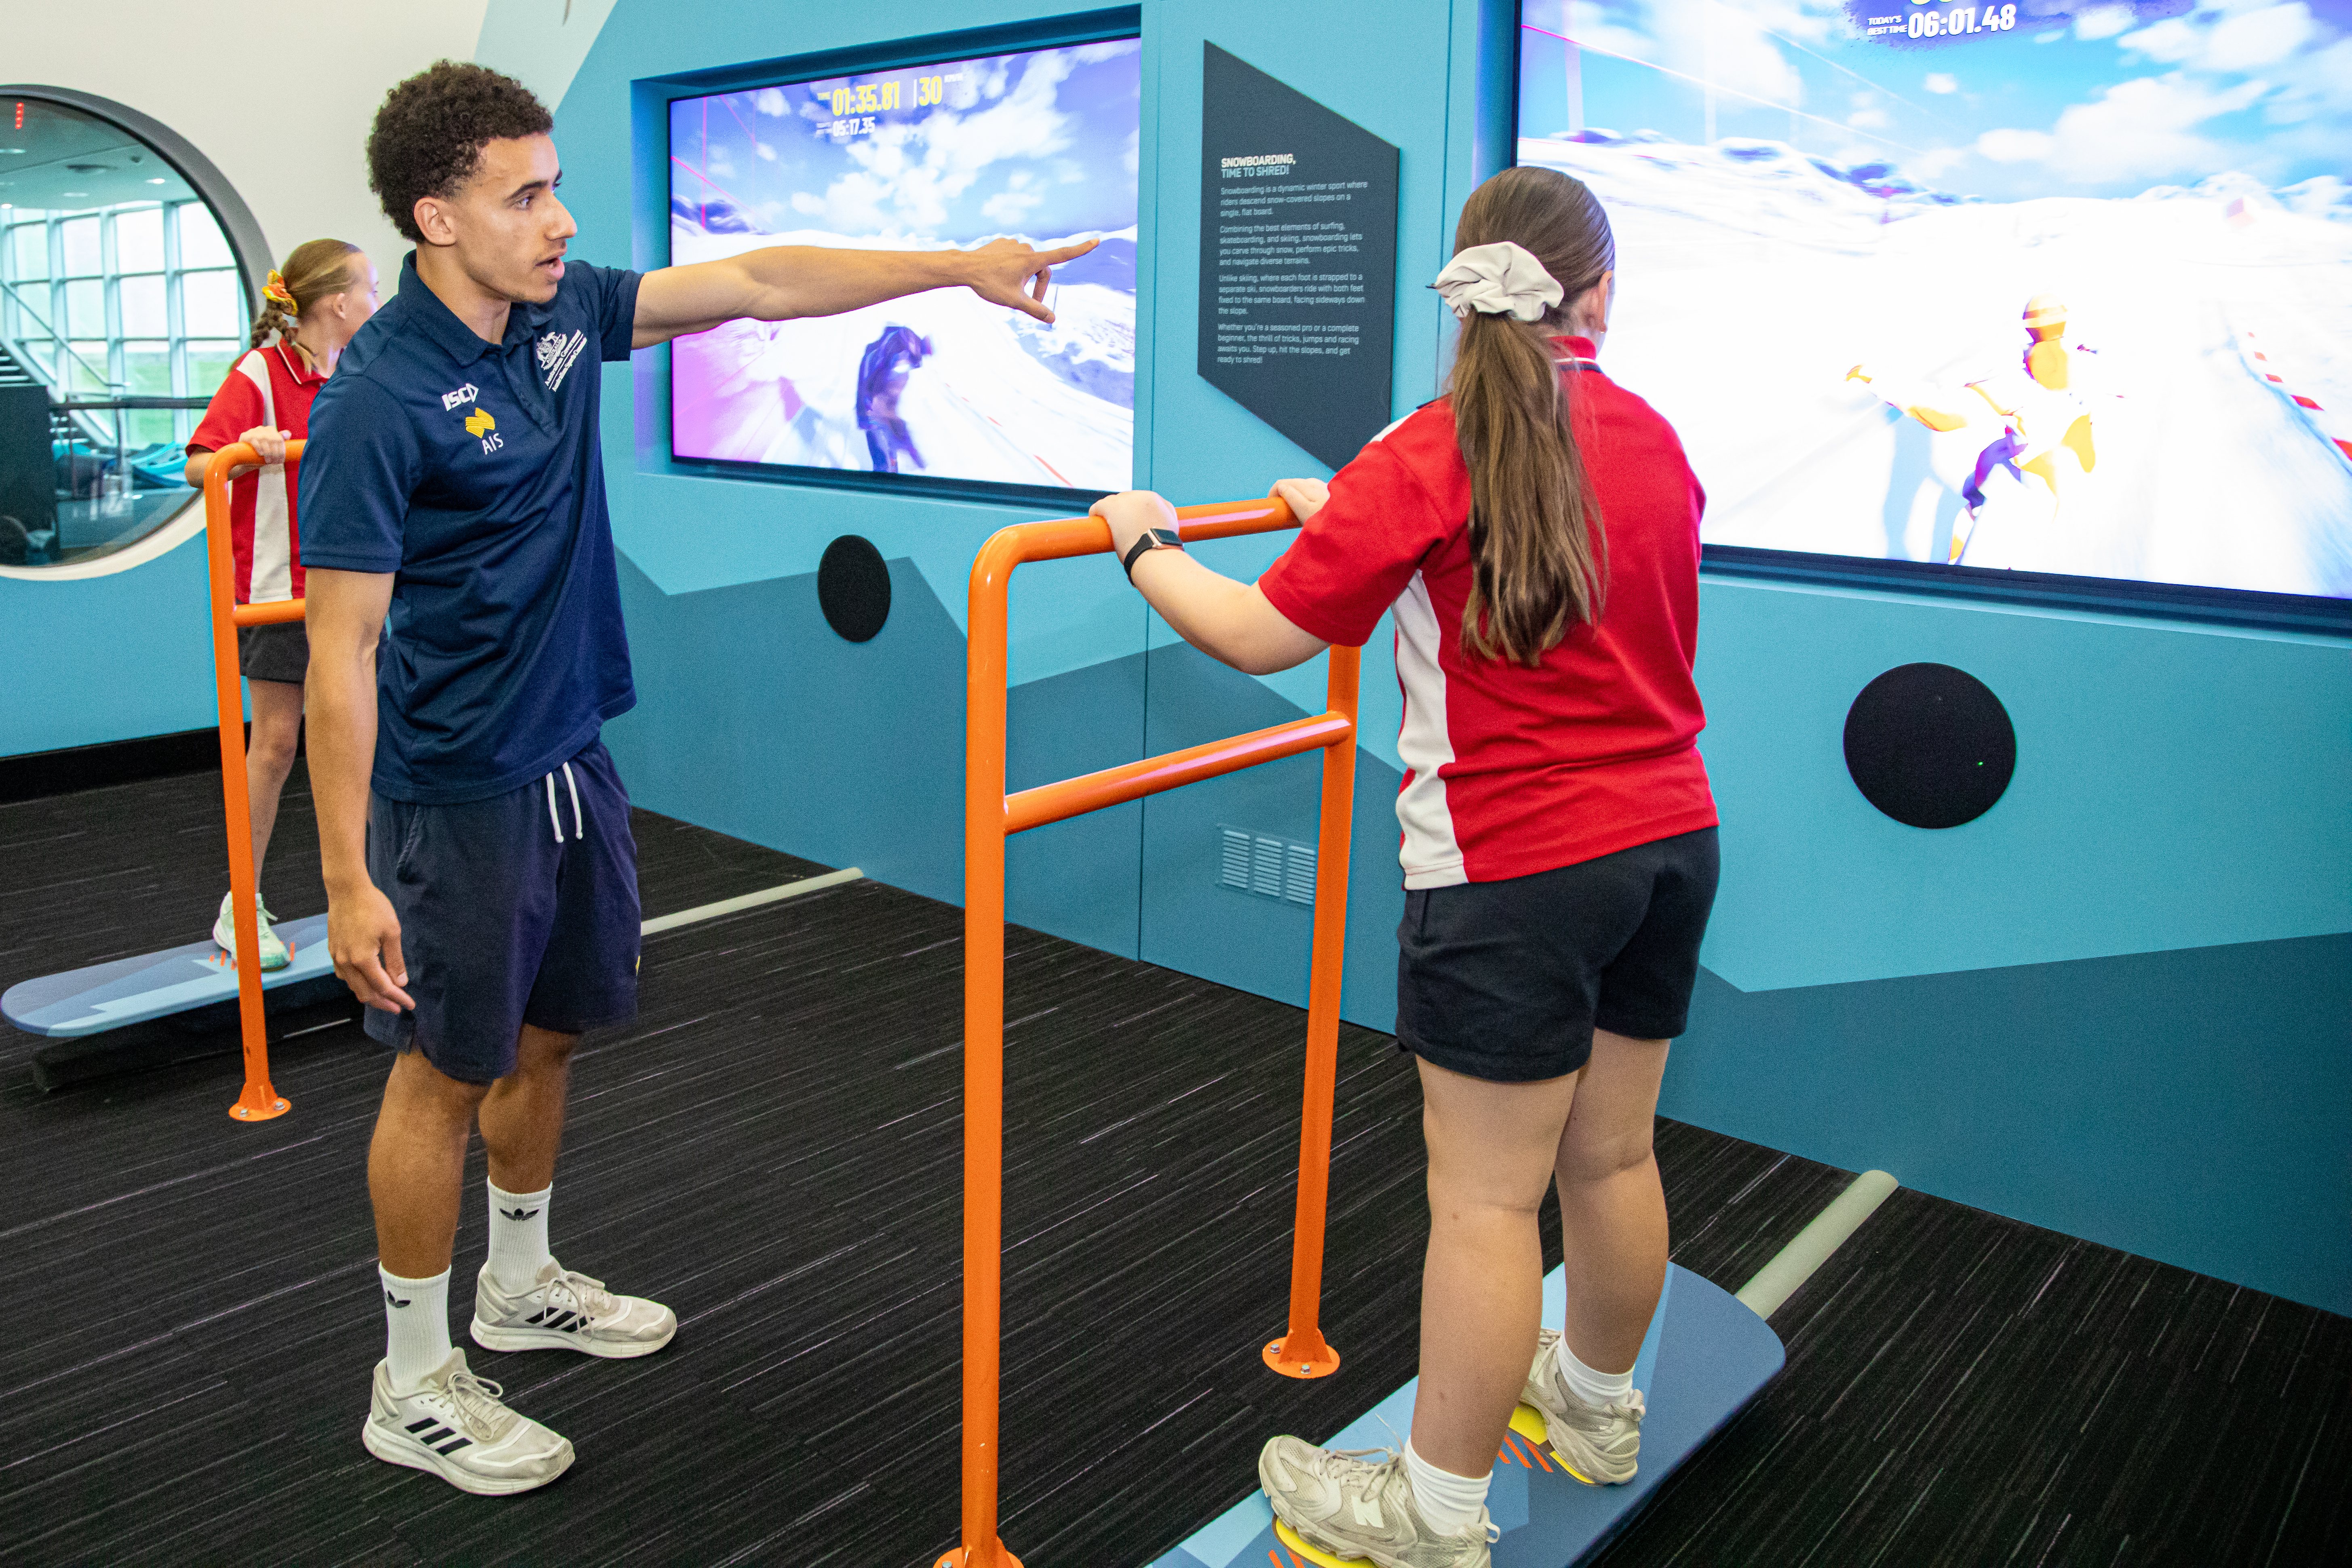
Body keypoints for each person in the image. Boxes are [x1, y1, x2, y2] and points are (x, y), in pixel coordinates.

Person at [299, 61, 1093, 1497]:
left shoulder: (554, 317)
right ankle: (410, 1375)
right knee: (443, 1072)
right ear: (436, 215)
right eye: (523, 193)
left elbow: (762, 283)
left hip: (570, 751)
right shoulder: (376, 400)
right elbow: (341, 650)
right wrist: (348, 875)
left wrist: (958, 268)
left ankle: (517, 1283)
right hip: (458, 783)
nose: (558, 217)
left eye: (554, 186)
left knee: (551, 1037)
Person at [1093, 166, 1718, 1566]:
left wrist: (1141, 543)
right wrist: (1349, 519)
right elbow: (1528, 564)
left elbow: (1258, 633)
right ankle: (1599, 1405)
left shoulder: (1428, 451)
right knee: (1609, 1152)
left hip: (1510, 870)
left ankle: (1432, 1515)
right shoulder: (1650, 438)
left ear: (1464, 281)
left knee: (1487, 1200)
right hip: (1668, 844)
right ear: (1599, 293)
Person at [184, 240, 380, 967]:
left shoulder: (357, 372)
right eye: (371, 287)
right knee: (274, 742)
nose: (377, 301)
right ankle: (239, 905)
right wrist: (251, 444)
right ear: (336, 301)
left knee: (372, 736)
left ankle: (372, 890)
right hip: (278, 588)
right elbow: (201, 463)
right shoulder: (260, 373)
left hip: (354, 579)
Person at [1848, 292, 2102, 565]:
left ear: (2029, 326)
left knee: (1972, 584)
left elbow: (1941, 416)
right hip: (2076, 495)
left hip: (2023, 500)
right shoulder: (2092, 365)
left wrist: (1876, 379)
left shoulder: (2015, 386)